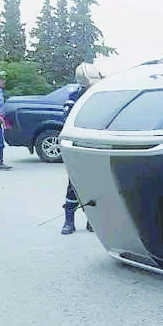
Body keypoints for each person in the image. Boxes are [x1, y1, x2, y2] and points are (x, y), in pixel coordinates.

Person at [60, 63, 103, 234]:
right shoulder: (75, 96)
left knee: (95, 185)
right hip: (78, 147)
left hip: (96, 147)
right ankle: (68, 221)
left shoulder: (101, 95)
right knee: (74, 185)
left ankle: (91, 221)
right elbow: (66, 121)